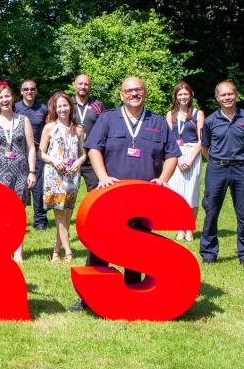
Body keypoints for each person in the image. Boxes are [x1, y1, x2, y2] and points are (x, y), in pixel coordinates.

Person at [69, 76, 180, 313]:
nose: (133, 94)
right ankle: (89, 297)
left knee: (138, 245)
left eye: (138, 90)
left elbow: (172, 154)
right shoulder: (108, 118)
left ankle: (133, 291)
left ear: (145, 93)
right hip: (112, 197)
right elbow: (94, 148)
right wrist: (101, 176)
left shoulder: (158, 122)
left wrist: (163, 179)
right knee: (100, 245)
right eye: (129, 91)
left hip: (143, 198)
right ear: (121, 94)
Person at [199, 81, 244, 267]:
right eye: (223, 95)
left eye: (230, 94)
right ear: (217, 98)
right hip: (216, 169)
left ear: (236, 95)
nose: (227, 98)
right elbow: (205, 148)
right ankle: (209, 254)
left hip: (240, 170)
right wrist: (219, 162)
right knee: (211, 211)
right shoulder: (210, 121)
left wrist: (239, 159)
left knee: (243, 213)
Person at [0, 81, 36, 262]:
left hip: (20, 173)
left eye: (7, 96)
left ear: (13, 98)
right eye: (1, 97)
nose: (4, 100)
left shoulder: (23, 120)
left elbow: (31, 148)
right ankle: (0, 248)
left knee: (18, 214)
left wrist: (32, 171)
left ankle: (18, 252)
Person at [38, 91, 86, 264]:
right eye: (59, 106)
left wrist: (79, 162)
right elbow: (41, 152)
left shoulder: (79, 129)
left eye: (65, 105)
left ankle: (56, 252)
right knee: (59, 216)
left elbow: (83, 154)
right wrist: (54, 160)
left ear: (70, 107)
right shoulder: (49, 128)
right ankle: (68, 252)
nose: (63, 109)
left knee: (66, 216)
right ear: (55, 109)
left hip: (73, 177)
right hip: (55, 176)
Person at [165, 81, 204, 242]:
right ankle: (180, 227)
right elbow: (169, 139)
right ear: (175, 96)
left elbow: (202, 140)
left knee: (191, 192)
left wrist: (190, 158)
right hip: (176, 155)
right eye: (179, 94)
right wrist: (179, 158)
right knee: (177, 194)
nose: (183, 97)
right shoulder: (170, 115)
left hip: (192, 154)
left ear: (190, 95)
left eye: (185, 94)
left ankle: (190, 229)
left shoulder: (198, 113)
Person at [14, 79, 48, 230]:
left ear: (36, 91)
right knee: (18, 187)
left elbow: (48, 130)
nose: (29, 92)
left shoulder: (43, 108)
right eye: (26, 89)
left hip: (38, 152)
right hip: (18, 152)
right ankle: (16, 219)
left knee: (39, 188)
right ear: (21, 91)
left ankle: (40, 220)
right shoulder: (15, 108)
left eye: (32, 89)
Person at [72, 73, 105, 192]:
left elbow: (104, 128)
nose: (83, 86)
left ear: (89, 87)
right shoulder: (67, 105)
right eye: (80, 83)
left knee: (96, 192)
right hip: (72, 155)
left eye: (86, 84)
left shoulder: (98, 105)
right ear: (75, 85)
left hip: (92, 156)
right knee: (67, 194)